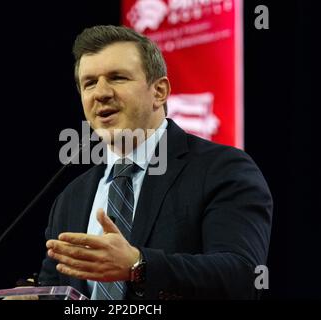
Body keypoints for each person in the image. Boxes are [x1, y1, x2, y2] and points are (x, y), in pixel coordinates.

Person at [38, 25, 273, 300]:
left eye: (117, 78)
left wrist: (138, 266)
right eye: (89, 83)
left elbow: (243, 276)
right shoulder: (71, 198)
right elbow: (54, 286)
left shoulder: (222, 170)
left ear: (159, 91)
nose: (101, 93)